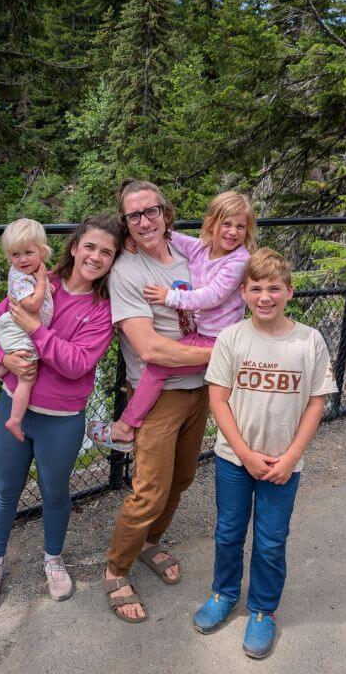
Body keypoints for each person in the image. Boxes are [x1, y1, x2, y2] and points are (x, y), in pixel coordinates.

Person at [0, 214, 123, 611]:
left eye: (106, 252)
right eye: (90, 246)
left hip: (61, 417)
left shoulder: (103, 309)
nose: (95, 256)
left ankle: (53, 560)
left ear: (112, 261)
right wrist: (4, 355)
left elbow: (76, 363)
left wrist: (36, 331)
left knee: (55, 493)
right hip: (13, 401)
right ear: (74, 247)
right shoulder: (37, 278)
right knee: (6, 490)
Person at [193, 248, 338, 658]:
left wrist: (290, 458)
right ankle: (223, 594)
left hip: (284, 464)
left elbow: (315, 403)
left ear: (289, 291)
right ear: (243, 292)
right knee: (228, 532)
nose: (265, 297)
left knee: (272, 541)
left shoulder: (309, 340)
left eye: (274, 288)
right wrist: (244, 453)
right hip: (234, 460)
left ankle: (262, 610)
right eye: (256, 288)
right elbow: (218, 400)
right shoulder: (232, 338)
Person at [102, 179, 214, 623]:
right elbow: (150, 349)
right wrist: (227, 352)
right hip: (159, 395)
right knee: (149, 490)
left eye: (151, 211)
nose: (145, 221)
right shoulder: (127, 272)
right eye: (134, 215)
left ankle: (150, 542)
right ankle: (116, 567)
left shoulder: (190, 254)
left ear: (166, 214)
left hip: (200, 388)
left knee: (183, 478)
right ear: (126, 225)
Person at [87, 191, 256, 452]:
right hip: (203, 334)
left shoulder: (238, 261)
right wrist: (126, 240)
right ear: (211, 223)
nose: (233, 232)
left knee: (158, 367)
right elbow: (168, 237)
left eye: (240, 227)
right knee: (163, 364)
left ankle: (125, 427)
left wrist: (170, 297)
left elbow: (211, 296)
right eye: (227, 224)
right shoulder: (202, 248)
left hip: (216, 337)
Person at [0, 218, 54, 442]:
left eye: (28, 252)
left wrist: (44, 284)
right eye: (15, 254)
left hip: (16, 327)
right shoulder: (22, 278)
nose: (22, 259)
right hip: (17, 328)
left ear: (42, 252)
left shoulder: (31, 274)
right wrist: (43, 282)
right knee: (27, 375)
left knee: (4, 365)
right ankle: (15, 419)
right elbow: (33, 305)